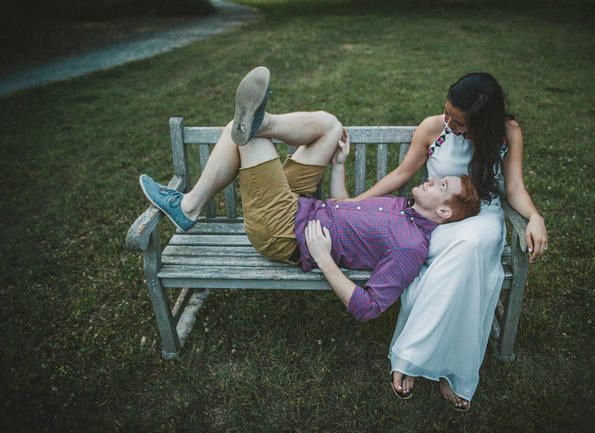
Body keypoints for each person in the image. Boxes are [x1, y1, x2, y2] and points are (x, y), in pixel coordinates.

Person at [139, 66, 481, 323]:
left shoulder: (410, 247)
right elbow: (342, 205)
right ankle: (263, 120)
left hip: (284, 230)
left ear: (445, 213)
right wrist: (339, 164)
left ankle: (189, 204)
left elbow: (368, 308)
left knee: (240, 134)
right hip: (305, 205)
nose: (433, 179)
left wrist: (324, 259)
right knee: (331, 126)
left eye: (441, 186)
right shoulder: (402, 206)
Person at [346, 72, 549, 409]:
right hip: (437, 218)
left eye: (458, 122)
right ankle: (414, 356)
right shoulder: (433, 128)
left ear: (483, 122)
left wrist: (535, 216)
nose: (448, 123)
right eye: (447, 114)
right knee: (457, 259)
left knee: (471, 249)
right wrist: (355, 203)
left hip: (483, 218)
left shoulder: (507, 132)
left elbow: (513, 187)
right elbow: (401, 174)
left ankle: (452, 370)